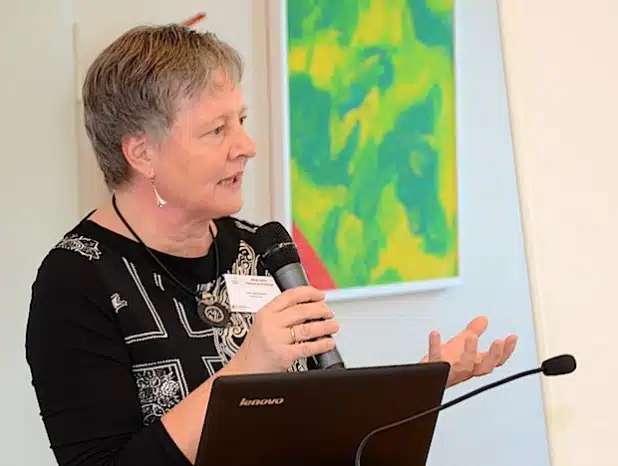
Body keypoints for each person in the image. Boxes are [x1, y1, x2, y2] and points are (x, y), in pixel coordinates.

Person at [25, 24, 518, 466]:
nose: (246, 145)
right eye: (217, 129)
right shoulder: (76, 280)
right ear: (142, 152)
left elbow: (322, 418)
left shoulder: (258, 248)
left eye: (241, 120)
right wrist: (248, 368)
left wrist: (424, 383)